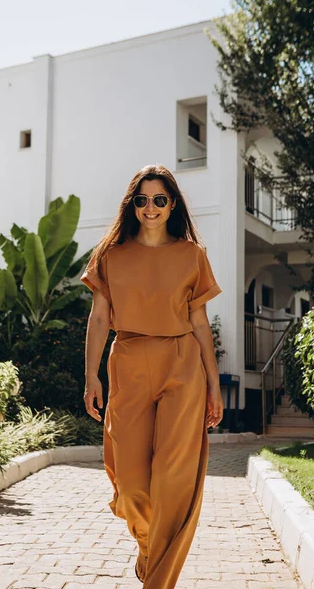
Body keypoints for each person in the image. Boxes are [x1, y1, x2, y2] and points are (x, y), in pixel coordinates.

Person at [80, 164, 224, 589]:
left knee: (173, 478)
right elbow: (99, 316)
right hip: (127, 359)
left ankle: (158, 579)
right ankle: (149, 548)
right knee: (130, 481)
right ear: (133, 204)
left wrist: (214, 385)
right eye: (141, 200)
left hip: (182, 364)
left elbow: (199, 323)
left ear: (172, 204)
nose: (150, 208)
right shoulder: (111, 255)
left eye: (159, 199)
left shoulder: (192, 255)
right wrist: (91, 375)